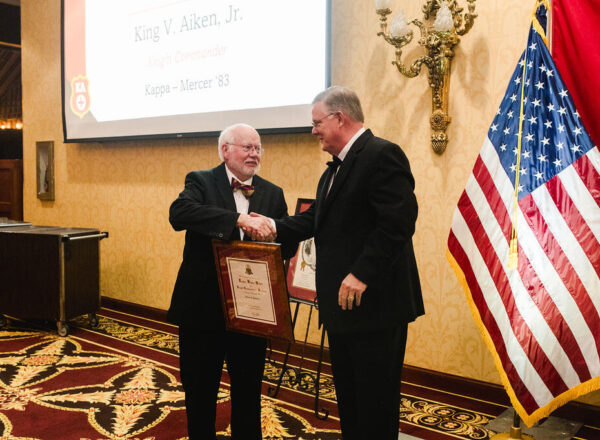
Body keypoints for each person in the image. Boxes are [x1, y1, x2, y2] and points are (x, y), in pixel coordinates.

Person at [257, 86, 425, 439]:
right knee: (350, 396)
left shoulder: (382, 154)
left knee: (375, 399)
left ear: (340, 118)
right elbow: (314, 219)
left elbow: (398, 223)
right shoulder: (332, 170)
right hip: (343, 307)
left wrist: (361, 273)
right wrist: (271, 227)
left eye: (317, 122)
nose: (313, 130)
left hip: (376, 305)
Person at [168, 123, 287, 439]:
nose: (254, 154)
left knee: (248, 390)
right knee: (200, 389)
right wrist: (238, 219)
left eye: (258, 148)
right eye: (247, 147)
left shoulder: (273, 193)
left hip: (251, 312)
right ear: (225, 150)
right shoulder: (201, 182)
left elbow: (284, 247)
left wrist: (274, 231)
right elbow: (179, 214)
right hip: (202, 309)